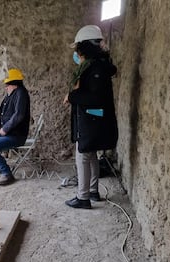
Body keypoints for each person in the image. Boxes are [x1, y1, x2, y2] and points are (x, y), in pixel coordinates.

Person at [63, 25, 118, 208]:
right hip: (93, 118)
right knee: (91, 154)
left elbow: (95, 98)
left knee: (83, 156)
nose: (77, 52)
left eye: (78, 47)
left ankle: (83, 197)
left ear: (85, 46)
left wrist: (72, 96)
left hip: (92, 119)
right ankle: (93, 191)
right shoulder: (97, 65)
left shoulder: (95, 68)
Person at [0, 68, 31, 186]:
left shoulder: (21, 93)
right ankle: (1, 165)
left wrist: (5, 128)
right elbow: (4, 112)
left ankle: (7, 174)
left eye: (7, 84)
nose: (5, 87)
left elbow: (18, 115)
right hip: (7, 133)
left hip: (16, 135)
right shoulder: (11, 95)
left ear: (14, 84)